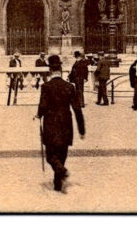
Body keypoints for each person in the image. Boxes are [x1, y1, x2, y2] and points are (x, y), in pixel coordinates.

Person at [36, 54, 86, 193]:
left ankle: (61, 170)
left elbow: (43, 105)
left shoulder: (46, 87)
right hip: (66, 125)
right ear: (61, 70)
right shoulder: (69, 87)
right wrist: (81, 129)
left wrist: (38, 114)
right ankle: (58, 184)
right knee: (62, 154)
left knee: (51, 156)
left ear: (50, 71)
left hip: (51, 125)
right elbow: (77, 109)